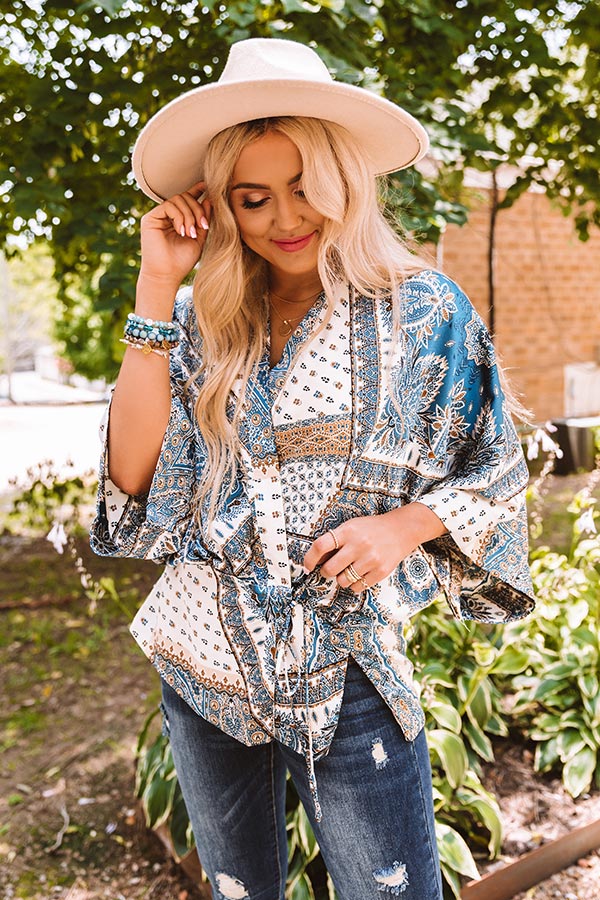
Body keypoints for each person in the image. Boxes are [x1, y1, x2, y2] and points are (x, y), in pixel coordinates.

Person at [91, 37, 535, 900]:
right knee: (238, 890)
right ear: (222, 208)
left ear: (345, 182)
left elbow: (496, 463)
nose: (285, 218)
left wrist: (404, 526)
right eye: (253, 198)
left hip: (348, 658)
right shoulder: (206, 321)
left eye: (305, 187)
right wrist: (155, 286)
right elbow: (135, 481)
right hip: (204, 652)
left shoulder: (422, 311)